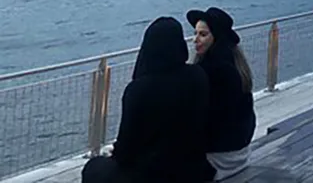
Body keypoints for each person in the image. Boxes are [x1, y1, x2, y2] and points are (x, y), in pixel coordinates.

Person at [82, 17, 215, 183]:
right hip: (192, 172)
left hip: (149, 176)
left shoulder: (138, 90)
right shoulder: (198, 76)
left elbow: (125, 151)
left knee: (93, 167)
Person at [187, 7, 256, 181]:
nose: (195, 40)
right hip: (242, 154)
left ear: (216, 37)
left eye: (203, 34)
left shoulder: (209, 71)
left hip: (219, 160)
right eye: (195, 33)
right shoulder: (238, 66)